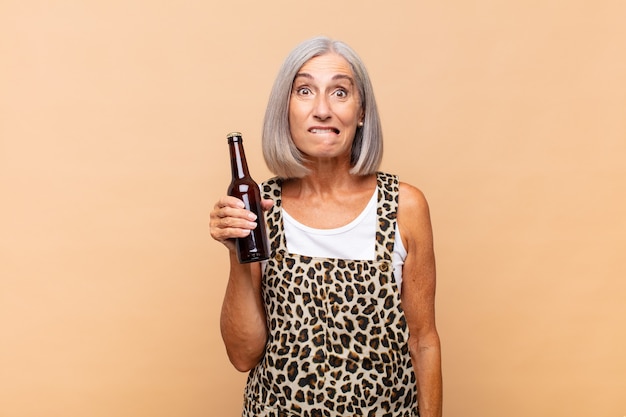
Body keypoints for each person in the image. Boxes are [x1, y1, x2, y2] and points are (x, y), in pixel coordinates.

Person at [210, 36, 442, 417]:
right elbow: (242, 355)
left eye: (339, 92)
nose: (322, 109)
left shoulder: (404, 206)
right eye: (305, 91)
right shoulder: (261, 207)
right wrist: (238, 251)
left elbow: (424, 341)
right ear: (286, 110)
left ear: (361, 111)